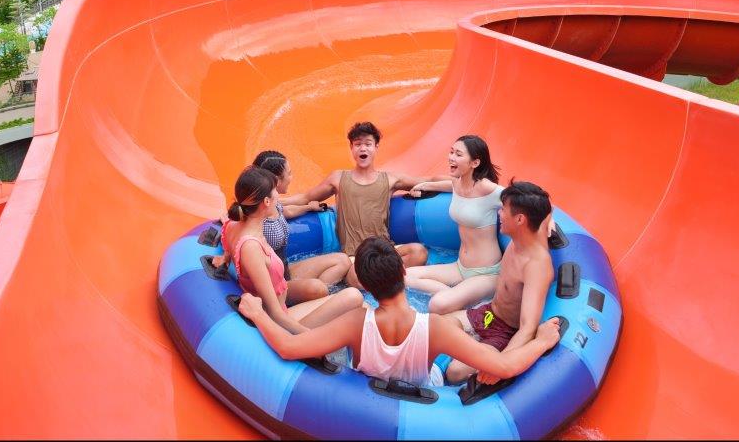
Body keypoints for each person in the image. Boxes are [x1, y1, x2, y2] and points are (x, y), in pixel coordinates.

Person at [239, 236, 560, 388]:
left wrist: (258, 314)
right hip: (426, 393)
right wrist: (541, 341)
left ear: (364, 282)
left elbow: (288, 347)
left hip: (366, 394)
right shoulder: (435, 328)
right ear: (405, 274)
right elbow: (504, 365)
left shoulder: (354, 322)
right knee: (460, 357)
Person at [283, 121, 434, 288]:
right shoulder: (338, 178)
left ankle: (385, 284)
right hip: (354, 257)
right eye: (358, 144)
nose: (363, 148)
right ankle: (390, 282)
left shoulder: (390, 179)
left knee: (419, 252)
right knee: (357, 277)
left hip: (384, 251)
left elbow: (427, 181)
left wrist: (461, 181)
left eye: (368, 144)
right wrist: (272, 201)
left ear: (376, 147)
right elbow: (305, 198)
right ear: (351, 148)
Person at [223, 165, 363, 333]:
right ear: (266, 202)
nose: (278, 195)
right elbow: (274, 313)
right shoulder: (251, 248)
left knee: (324, 287)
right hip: (281, 319)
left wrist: (224, 259)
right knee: (353, 297)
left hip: (281, 293)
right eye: (275, 190)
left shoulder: (234, 224)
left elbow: (226, 242)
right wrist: (312, 339)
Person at [443, 181, 555, 385]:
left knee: (454, 372)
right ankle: (475, 345)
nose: (499, 213)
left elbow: (527, 328)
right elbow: (546, 208)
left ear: (520, 219)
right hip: (488, 314)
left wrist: (500, 363)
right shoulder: (522, 235)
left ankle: (478, 351)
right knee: (438, 325)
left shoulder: (536, 266)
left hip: (505, 332)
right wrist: (550, 216)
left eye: (503, 210)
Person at [404, 135, 504, 314]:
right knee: (404, 276)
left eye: (458, 154)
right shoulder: (458, 183)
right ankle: (454, 295)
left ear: (474, 163)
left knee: (439, 305)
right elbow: (445, 185)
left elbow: (524, 200)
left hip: (486, 273)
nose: (451, 157)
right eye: (451, 152)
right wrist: (424, 185)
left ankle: (456, 299)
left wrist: (548, 218)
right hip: (460, 267)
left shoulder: (487, 188)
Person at [251, 150, 354, 302]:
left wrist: (308, 208)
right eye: (289, 173)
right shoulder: (256, 214)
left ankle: (321, 296)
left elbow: (286, 210)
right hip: (273, 286)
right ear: (276, 180)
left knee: (343, 261)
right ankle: (319, 298)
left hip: (284, 271)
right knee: (318, 288)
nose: (291, 178)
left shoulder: (271, 203)